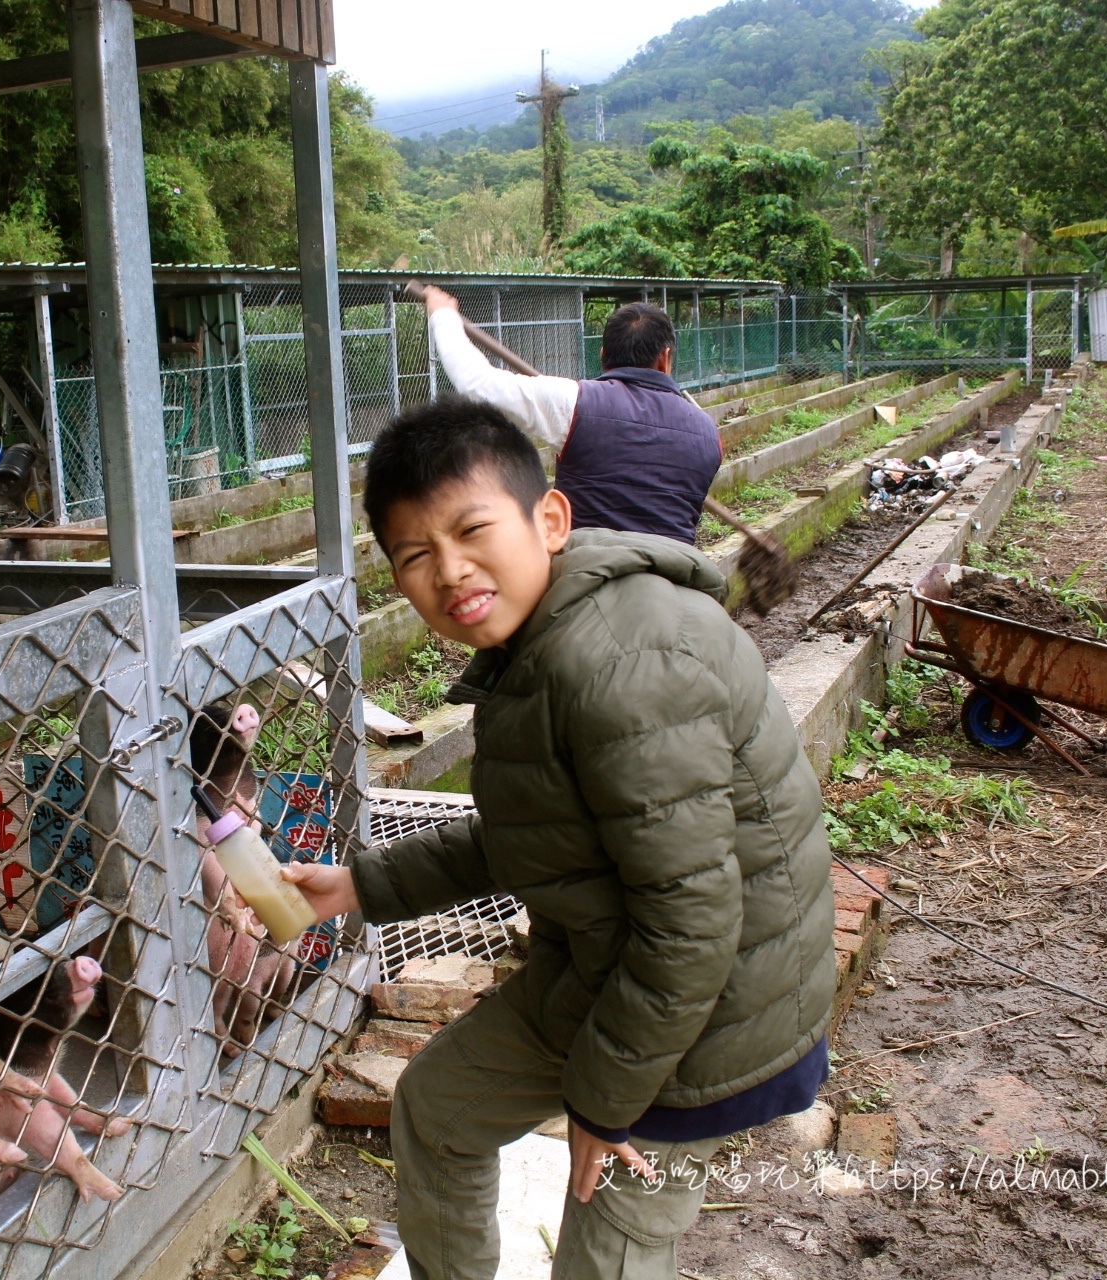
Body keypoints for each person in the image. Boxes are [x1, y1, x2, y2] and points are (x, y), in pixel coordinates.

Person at [283, 397, 834, 1280]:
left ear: (550, 519)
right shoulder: (538, 648)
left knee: (605, 1244)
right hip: (612, 975)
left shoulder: (622, 668)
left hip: (710, 1019)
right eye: (416, 556)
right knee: (437, 1110)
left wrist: (603, 1106)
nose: (451, 571)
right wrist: (357, 886)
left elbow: (693, 926)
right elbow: (533, 834)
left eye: (472, 531)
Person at [420, 285, 720, 545]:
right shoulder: (708, 434)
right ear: (665, 359)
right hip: (673, 584)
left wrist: (443, 315)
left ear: (603, 355)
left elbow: (479, 384)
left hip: (587, 580)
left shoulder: (575, 403)